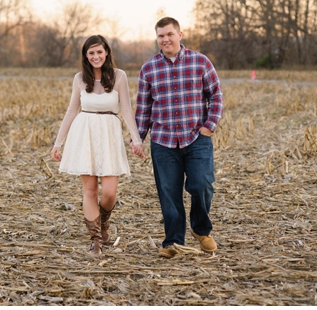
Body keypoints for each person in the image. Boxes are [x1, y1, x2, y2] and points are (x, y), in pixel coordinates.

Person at [134, 17, 223, 257]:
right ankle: (172, 242)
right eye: (161, 36)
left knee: (202, 184)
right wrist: (138, 138)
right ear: (157, 39)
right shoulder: (148, 69)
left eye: (169, 34)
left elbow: (215, 95)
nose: (165, 39)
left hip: (196, 138)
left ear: (180, 35)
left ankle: (201, 230)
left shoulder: (200, 62)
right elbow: (143, 109)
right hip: (163, 141)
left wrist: (210, 125)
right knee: (169, 193)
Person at [51, 34, 145, 254]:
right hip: (85, 133)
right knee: (90, 190)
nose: (95, 56)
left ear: (106, 53)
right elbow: (72, 110)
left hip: (109, 134)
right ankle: (96, 239)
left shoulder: (119, 76)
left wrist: (136, 138)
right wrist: (58, 143)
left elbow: (126, 110)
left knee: (110, 192)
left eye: (99, 52)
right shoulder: (79, 78)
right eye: (91, 52)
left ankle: (103, 222)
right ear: (86, 55)